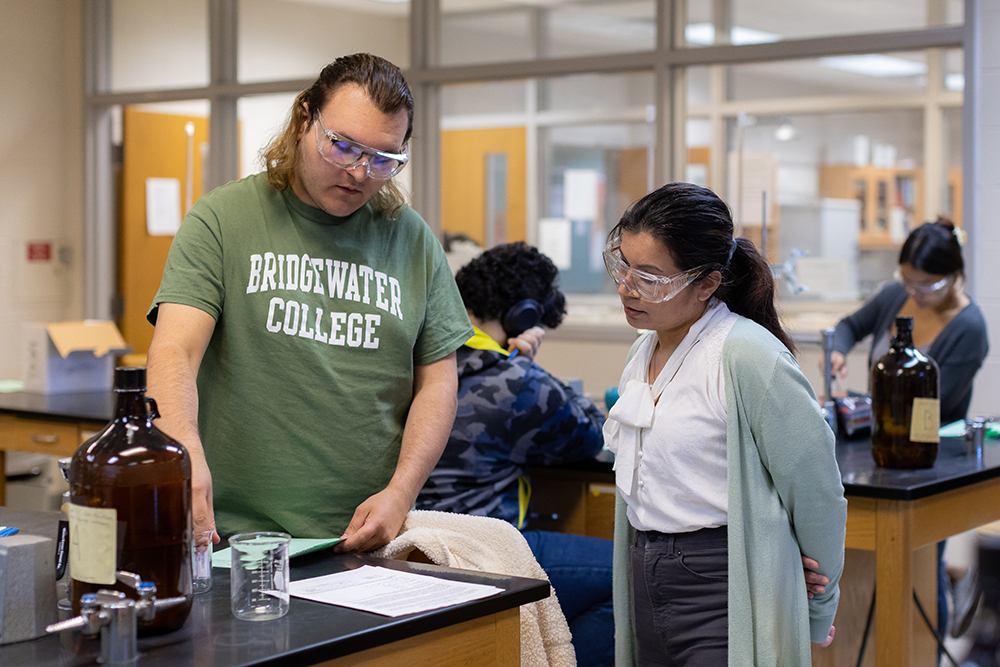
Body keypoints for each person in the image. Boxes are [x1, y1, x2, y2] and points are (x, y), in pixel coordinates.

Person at [144, 53, 474, 554]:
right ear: (304, 119)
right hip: (233, 538)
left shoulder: (411, 240)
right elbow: (175, 353)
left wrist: (401, 493)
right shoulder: (223, 219)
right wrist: (183, 454)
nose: (359, 173)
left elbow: (438, 380)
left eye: (383, 159)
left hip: (363, 540)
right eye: (342, 146)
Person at [602, 182, 847, 665]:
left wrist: (819, 603)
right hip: (645, 567)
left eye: (650, 276)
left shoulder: (749, 356)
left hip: (722, 580)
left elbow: (817, 490)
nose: (626, 287)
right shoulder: (643, 347)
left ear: (708, 283)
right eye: (622, 265)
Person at [417, 241, 614, 667]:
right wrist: (526, 363)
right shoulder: (514, 379)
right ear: (524, 316)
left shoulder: (415, 356)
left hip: (409, 547)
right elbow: (591, 434)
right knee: (631, 576)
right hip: (484, 551)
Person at [829, 216, 989, 639]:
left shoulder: (970, 329)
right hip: (876, 444)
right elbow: (848, 326)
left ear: (955, 274)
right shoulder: (895, 296)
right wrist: (839, 353)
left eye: (927, 285)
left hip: (926, 459)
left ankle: (926, 647)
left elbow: (928, 405)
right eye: (908, 281)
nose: (915, 294)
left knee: (921, 563)